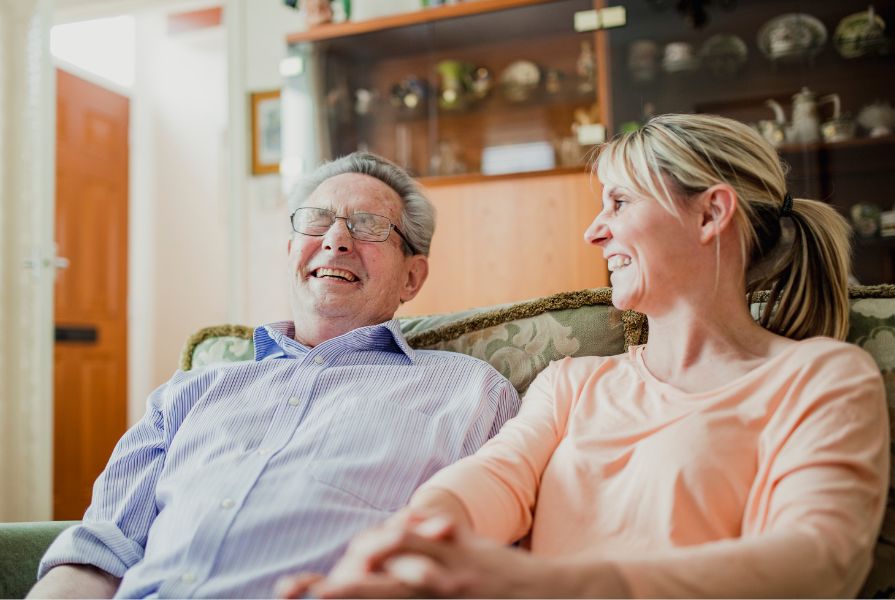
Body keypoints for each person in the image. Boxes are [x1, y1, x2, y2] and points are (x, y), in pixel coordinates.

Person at [282, 114, 890, 599]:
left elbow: (818, 561)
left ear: (711, 213)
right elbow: (494, 479)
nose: (594, 231)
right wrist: (406, 548)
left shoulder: (820, 377)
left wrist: (545, 586)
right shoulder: (573, 382)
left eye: (619, 203)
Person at [29, 152, 520, 598]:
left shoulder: (471, 393)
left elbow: (489, 566)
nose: (335, 240)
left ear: (412, 277)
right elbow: (99, 552)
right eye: (318, 222)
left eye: (368, 225)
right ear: (291, 251)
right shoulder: (189, 392)